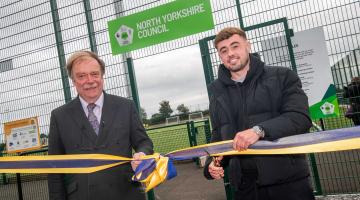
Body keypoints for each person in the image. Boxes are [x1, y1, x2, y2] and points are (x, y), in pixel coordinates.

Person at [203, 27, 315, 200]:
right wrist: (213, 163)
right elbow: (219, 134)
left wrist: (259, 131)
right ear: (220, 56)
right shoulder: (217, 93)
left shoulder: (282, 76)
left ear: (248, 46)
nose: (230, 53)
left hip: (288, 181)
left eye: (235, 46)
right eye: (223, 50)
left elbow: (299, 117)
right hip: (244, 186)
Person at [48, 51, 153, 200]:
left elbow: (144, 142)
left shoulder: (125, 106)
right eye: (81, 76)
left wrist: (142, 154)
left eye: (94, 74)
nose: (90, 80)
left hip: (126, 193)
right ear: (73, 81)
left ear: (102, 76)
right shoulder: (59, 116)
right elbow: (54, 168)